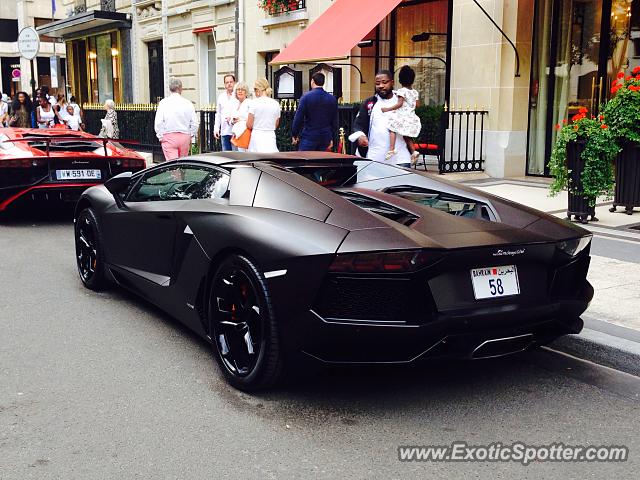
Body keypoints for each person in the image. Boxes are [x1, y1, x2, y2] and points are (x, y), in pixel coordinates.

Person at [349, 70, 412, 166]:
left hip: (400, 158)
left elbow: (411, 122)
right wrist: (360, 136)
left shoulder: (402, 101)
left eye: (384, 82)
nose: (381, 86)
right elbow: (358, 124)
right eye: (377, 83)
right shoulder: (370, 103)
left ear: (392, 82)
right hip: (375, 157)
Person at [381, 65, 421, 163]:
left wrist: (387, 109)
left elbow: (399, 104)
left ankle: (391, 149)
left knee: (392, 128)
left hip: (402, 116)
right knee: (407, 136)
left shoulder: (401, 91)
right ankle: (413, 151)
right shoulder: (415, 92)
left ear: (400, 79)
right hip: (411, 117)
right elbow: (417, 105)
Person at [154, 77, 199, 160]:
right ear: (181, 88)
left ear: (170, 89)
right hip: (184, 136)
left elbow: (158, 122)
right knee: (182, 163)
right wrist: (191, 135)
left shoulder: (164, 103)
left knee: (172, 165)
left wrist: (160, 136)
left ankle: (176, 173)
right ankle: (181, 173)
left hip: (169, 136)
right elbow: (195, 123)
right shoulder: (188, 103)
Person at [291, 72, 338, 151]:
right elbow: (335, 121)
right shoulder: (332, 99)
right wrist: (332, 138)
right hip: (325, 137)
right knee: (321, 162)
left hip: (309, 136)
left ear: (312, 81)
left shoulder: (306, 97)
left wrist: (294, 134)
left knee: (305, 161)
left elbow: (298, 118)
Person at [247, 78, 281, 153]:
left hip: (257, 136)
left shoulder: (254, 103)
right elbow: (276, 124)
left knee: (256, 161)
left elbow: (249, 124)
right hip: (270, 136)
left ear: (257, 90)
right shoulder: (276, 104)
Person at [214, 74, 237, 151]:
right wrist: (216, 128)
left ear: (234, 83)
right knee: (226, 157)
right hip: (224, 131)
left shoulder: (238, 96)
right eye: (227, 82)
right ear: (224, 84)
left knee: (235, 156)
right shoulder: (221, 97)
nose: (229, 84)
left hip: (235, 131)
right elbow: (218, 114)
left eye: (231, 82)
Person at [229, 81, 252, 152]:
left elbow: (251, 118)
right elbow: (231, 119)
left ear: (246, 92)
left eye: (242, 90)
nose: (240, 91)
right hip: (237, 135)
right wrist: (232, 121)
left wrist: (240, 119)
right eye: (238, 90)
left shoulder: (249, 103)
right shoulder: (235, 104)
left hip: (246, 134)